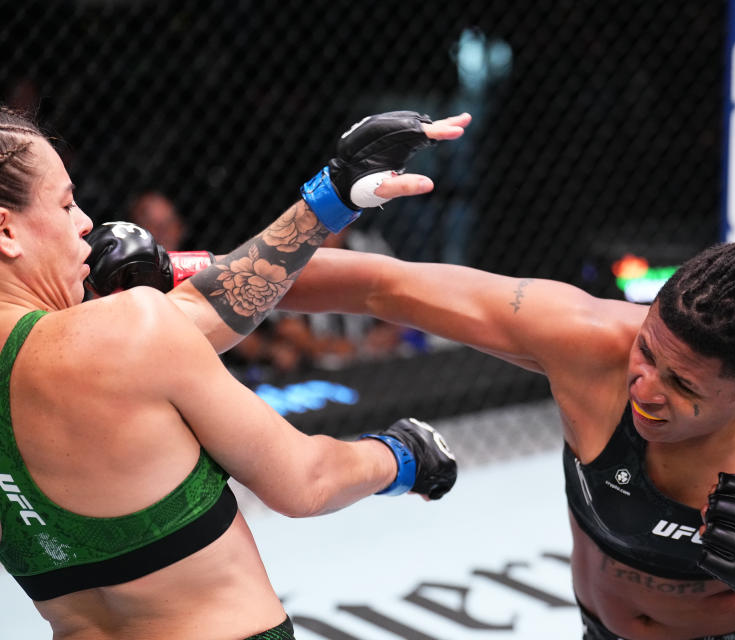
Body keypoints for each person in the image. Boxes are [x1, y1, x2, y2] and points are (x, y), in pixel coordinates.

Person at [267, 208, 735, 639]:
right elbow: (382, 285)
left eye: (683, 385)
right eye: (648, 351)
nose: (645, 389)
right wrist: (181, 274)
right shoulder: (584, 341)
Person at [0, 106, 469, 639]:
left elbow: (206, 307)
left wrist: (332, 197)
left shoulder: (123, 338)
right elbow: (306, 481)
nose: (84, 221)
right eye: (64, 204)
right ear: (6, 230)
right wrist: (402, 455)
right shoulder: (126, 331)